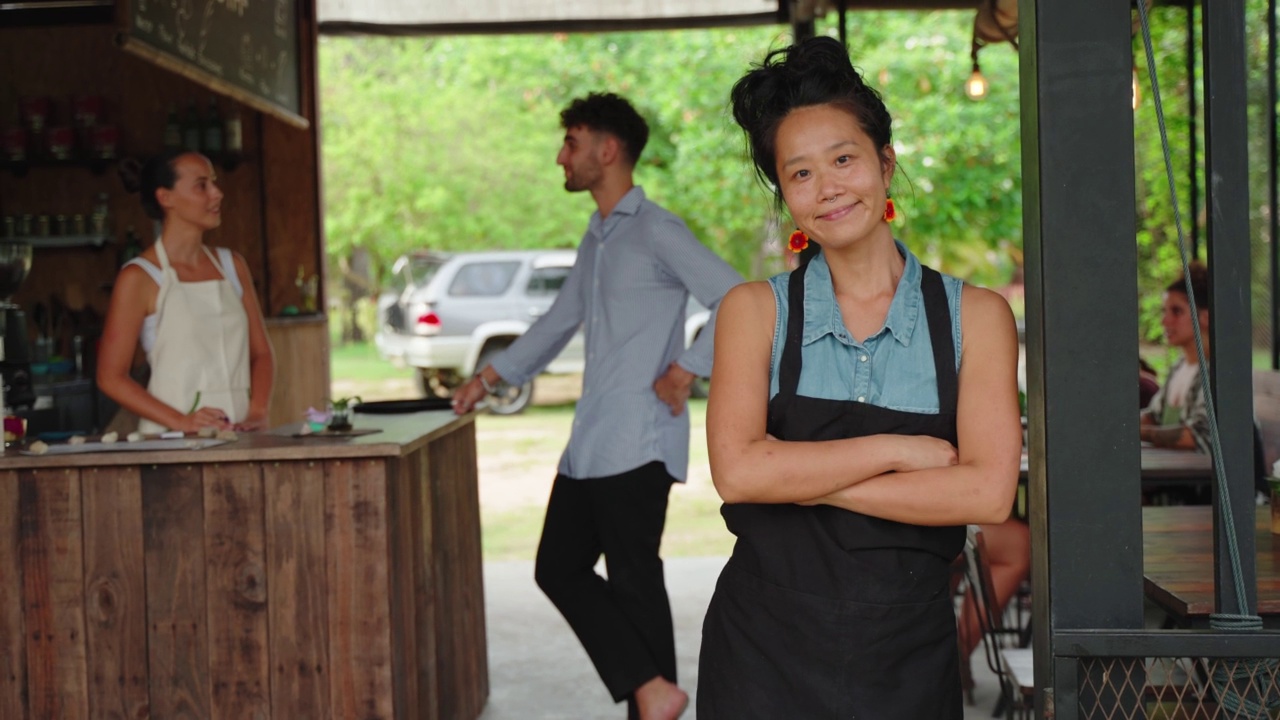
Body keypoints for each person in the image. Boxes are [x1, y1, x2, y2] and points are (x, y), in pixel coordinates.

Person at [698, 37, 1021, 718]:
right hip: (761, 656)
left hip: (906, 658)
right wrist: (901, 454)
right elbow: (739, 475)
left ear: (885, 163)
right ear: (786, 197)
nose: (829, 189)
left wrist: (799, 480)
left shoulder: (978, 318)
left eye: (844, 160)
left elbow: (988, 493)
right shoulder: (754, 313)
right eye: (801, 174)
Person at [451, 92, 743, 720]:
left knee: (636, 582)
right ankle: (654, 691)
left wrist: (688, 368)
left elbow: (739, 298)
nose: (562, 156)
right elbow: (561, 318)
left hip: (639, 438)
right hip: (593, 440)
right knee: (558, 567)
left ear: (607, 151)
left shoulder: (656, 228)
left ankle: (653, 701)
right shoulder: (601, 234)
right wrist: (491, 374)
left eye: (572, 142)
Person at [99, 149, 274, 433]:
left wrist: (258, 411)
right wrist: (182, 422)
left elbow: (262, 354)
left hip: (240, 440)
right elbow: (110, 376)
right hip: (171, 447)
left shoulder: (233, 266)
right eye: (201, 185)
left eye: (214, 183)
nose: (217, 194)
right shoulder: (140, 277)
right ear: (165, 197)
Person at [1140, 262, 1211, 452]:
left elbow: (1197, 437)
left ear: (1205, 317)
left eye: (1176, 311)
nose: (1165, 321)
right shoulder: (1180, 366)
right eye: (1165, 311)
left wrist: (1138, 432)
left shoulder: (1217, 372)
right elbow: (1154, 416)